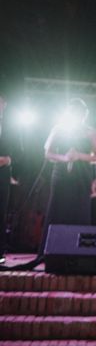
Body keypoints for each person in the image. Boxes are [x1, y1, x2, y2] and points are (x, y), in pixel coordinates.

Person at [39, 98, 96, 254]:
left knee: (79, 212)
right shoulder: (59, 129)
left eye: (81, 113)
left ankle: (78, 251)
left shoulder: (91, 132)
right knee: (57, 209)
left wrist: (80, 156)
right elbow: (47, 153)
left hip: (82, 176)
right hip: (60, 174)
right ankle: (49, 251)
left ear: (85, 114)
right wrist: (65, 158)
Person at [0, 95, 17, 264]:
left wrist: (9, 160)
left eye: (3, 102)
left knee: (1, 211)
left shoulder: (10, 127)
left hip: (3, 173)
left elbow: (18, 150)